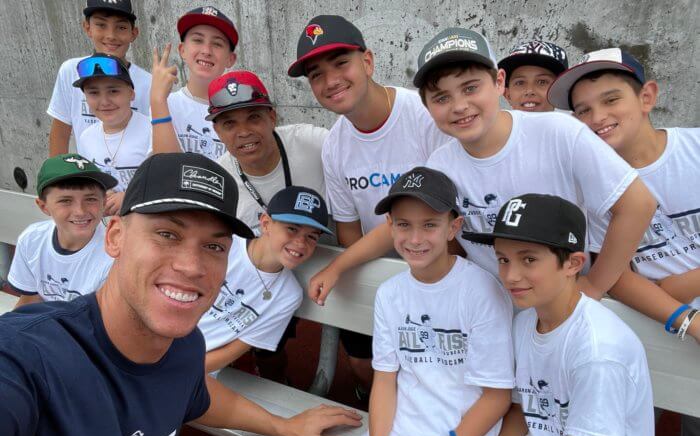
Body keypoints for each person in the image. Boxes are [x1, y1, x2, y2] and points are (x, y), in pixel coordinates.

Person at [0, 152, 362, 436]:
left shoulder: (184, 346)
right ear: (115, 237)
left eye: (213, 246)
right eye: (167, 234)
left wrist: (283, 427)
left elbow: (196, 393)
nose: (191, 266)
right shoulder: (26, 358)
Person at [310, 27, 656, 304]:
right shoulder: (442, 164)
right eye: (442, 98)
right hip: (496, 311)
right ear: (427, 108)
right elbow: (402, 223)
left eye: (470, 87)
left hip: (564, 307)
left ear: (499, 82)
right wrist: (339, 265)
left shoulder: (559, 132)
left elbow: (637, 204)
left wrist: (594, 287)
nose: (459, 106)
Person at [312, 168, 514, 436]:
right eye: (403, 225)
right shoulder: (391, 293)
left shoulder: (482, 292)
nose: (415, 238)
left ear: (454, 227)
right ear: (389, 226)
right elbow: (385, 381)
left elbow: (497, 397)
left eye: (430, 225)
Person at [549, 47, 700, 436]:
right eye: (583, 111)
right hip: (650, 326)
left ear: (647, 96)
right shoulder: (589, 181)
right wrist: (687, 317)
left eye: (612, 100)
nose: (599, 117)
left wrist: (664, 292)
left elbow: (622, 281)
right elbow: (615, 279)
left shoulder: (694, 150)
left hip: (657, 310)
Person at [464, 193, 663, 436]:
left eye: (528, 260)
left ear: (573, 263)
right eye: (503, 259)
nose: (511, 276)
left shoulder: (598, 351)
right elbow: (525, 405)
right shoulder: (525, 319)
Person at [289, 15, 449, 396]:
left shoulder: (424, 117)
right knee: (362, 365)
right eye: (316, 74)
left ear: (368, 61)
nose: (330, 81)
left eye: (341, 63)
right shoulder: (336, 145)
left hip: (438, 269)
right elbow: (348, 230)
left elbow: (441, 220)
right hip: (379, 272)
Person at [198, 186, 333, 374]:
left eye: (311, 236)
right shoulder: (225, 246)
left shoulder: (289, 295)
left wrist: (181, 369)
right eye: (292, 228)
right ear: (265, 223)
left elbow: (232, 351)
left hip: (198, 372)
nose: (301, 243)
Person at [207, 70, 328, 236]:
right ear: (217, 131)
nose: (243, 132)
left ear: (272, 117)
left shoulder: (313, 142)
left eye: (254, 118)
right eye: (229, 123)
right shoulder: (216, 181)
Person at [7, 154, 117, 308]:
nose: (80, 211)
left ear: (104, 202)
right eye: (65, 201)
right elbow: (30, 301)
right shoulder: (31, 239)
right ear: (44, 206)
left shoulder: (115, 253)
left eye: (91, 199)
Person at [47, 0, 151, 155]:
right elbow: (61, 133)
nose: (111, 36)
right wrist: (58, 178)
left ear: (133, 33)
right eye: (101, 25)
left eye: (121, 27)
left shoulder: (149, 83)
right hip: (88, 177)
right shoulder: (70, 71)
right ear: (87, 28)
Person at [150, 6, 237, 160]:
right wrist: (157, 101)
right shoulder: (165, 104)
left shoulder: (240, 108)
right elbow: (165, 167)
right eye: (198, 40)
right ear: (182, 50)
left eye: (217, 44)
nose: (206, 50)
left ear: (230, 59)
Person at [74, 52, 152, 216]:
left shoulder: (152, 130)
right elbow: (90, 183)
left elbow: (166, 182)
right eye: (94, 93)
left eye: (113, 91)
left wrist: (130, 197)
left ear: (131, 93)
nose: (104, 101)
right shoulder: (86, 138)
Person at [497, 40, 568, 112]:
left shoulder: (573, 123)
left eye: (542, 82)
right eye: (520, 83)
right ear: (507, 95)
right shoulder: (489, 123)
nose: (529, 91)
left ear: (559, 93)